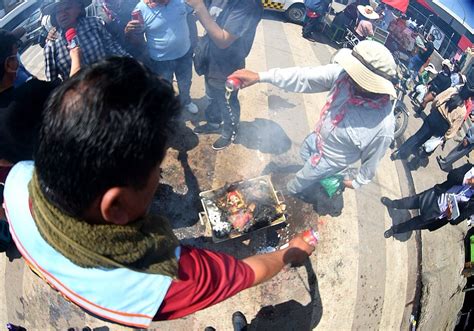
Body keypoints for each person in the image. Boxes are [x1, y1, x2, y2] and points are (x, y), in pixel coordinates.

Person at [3, 57, 315, 328]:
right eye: (157, 166)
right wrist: (291, 252)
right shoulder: (160, 282)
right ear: (116, 206)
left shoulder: (18, 182)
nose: (160, 173)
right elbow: (247, 272)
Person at [229, 40, 397, 195]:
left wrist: (355, 183)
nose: (350, 75)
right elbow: (303, 77)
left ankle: (290, 192)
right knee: (305, 156)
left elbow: (371, 162)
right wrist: (260, 77)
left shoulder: (383, 126)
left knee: (302, 179)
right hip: (314, 138)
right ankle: (308, 175)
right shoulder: (343, 76)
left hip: (331, 161)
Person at [186, 0, 263, 150]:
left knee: (227, 102)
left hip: (228, 66)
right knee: (211, 96)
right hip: (210, 59)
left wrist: (199, 6)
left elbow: (223, 40)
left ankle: (229, 133)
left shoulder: (247, 5)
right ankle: (214, 123)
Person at [124, 0, 198, 114]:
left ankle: (186, 101)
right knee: (165, 87)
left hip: (184, 54)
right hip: (160, 60)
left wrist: (194, 41)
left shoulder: (181, 1)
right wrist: (129, 32)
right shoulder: (141, 9)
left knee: (185, 82)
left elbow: (190, 18)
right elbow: (136, 39)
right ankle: (169, 108)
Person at [43, 0, 129, 81]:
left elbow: (113, 48)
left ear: (79, 8)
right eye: (58, 12)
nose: (62, 14)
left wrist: (131, 63)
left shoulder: (94, 23)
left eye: (67, 8)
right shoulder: (51, 45)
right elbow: (52, 84)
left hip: (109, 83)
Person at [382, 163, 474, 238]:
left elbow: (456, 220)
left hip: (438, 214)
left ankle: (394, 230)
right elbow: (452, 176)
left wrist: (450, 215)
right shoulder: (469, 169)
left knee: (414, 224)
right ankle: (392, 204)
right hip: (435, 196)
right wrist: (467, 181)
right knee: (411, 201)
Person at [391, 80, 474, 161]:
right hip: (443, 127)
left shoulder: (451, 91)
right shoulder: (463, 111)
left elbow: (437, 99)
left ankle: (400, 152)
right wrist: (445, 138)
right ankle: (413, 157)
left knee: (418, 136)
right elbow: (453, 129)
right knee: (427, 143)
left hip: (435, 116)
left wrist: (433, 109)